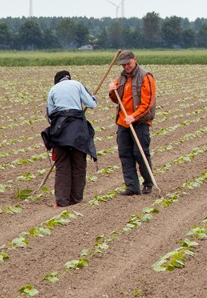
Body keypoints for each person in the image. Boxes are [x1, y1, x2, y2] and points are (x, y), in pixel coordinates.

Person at [42, 70, 98, 207]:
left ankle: (61, 201)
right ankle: (76, 199)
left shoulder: (53, 90)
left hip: (60, 133)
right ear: (68, 78)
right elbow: (91, 104)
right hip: (78, 131)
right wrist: (93, 98)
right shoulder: (77, 85)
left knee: (62, 166)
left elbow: (49, 115)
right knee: (79, 165)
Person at [108, 50, 155, 196]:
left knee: (140, 153)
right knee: (125, 154)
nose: (126, 67)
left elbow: (147, 104)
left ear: (134, 60)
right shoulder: (121, 78)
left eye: (128, 63)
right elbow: (117, 100)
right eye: (123, 64)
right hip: (123, 123)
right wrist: (112, 92)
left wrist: (134, 116)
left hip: (140, 122)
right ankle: (132, 187)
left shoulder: (145, 77)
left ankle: (148, 184)